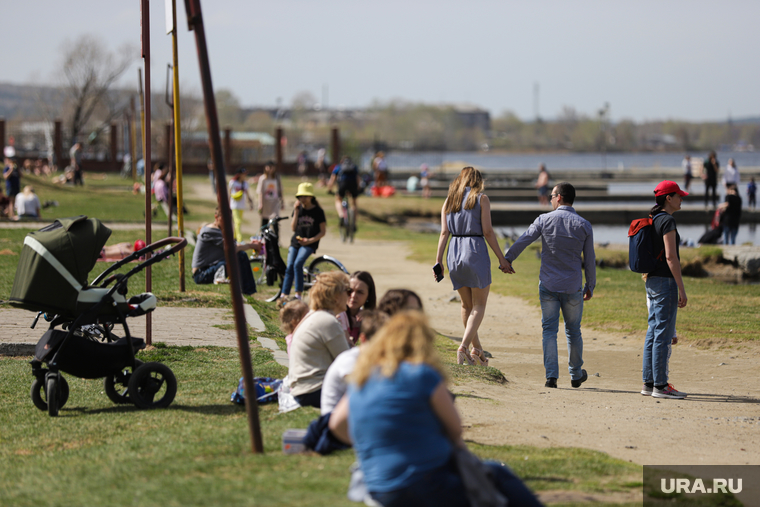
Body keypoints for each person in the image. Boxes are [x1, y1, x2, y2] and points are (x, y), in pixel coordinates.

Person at [329, 311, 543, 507]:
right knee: (497, 474)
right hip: (426, 482)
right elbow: (455, 428)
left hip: (378, 488)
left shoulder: (362, 378)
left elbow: (337, 425)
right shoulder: (422, 374)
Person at [504, 182, 595, 388]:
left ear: (560, 197)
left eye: (552, 195)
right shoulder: (584, 224)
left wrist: (508, 259)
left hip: (548, 284)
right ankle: (576, 374)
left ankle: (551, 377)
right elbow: (589, 260)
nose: (550, 199)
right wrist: (591, 284)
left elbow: (524, 239)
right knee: (574, 331)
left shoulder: (544, 219)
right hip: (573, 286)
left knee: (549, 330)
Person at [435, 166, 512, 367]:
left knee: (465, 305)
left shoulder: (449, 200)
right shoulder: (481, 199)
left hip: (454, 252)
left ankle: (476, 350)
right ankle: (463, 346)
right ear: (477, 180)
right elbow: (487, 231)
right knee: (479, 305)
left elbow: (444, 233)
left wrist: (439, 261)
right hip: (475, 250)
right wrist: (501, 258)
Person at [641, 180, 689, 399]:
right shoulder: (668, 221)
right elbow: (671, 257)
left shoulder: (653, 219)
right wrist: (681, 287)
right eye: (678, 196)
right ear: (668, 198)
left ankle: (649, 383)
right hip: (665, 282)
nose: (681, 199)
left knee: (653, 332)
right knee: (662, 333)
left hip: (651, 281)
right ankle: (660, 386)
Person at [288, 271, 352, 408]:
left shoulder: (316, 316)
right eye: (347, 291)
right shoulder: (328, 321)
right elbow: (347, 364)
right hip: (314, 390)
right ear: (336, 297)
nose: (350, 295)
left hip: (305, 390)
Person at [320, 310, 388, 415]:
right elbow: (362, 397)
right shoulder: (350, 361)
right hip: (335, 419)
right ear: (363, 339)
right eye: (380, 343)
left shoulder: (372, 360)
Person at [191, 207, 260, 295]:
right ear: (216, 217)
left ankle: (246, 291)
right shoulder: (211, 231)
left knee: (239, 255)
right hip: (201, 274)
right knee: (240, 256)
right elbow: (232, 249)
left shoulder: (219, 230)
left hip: (210, 268)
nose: (228, 221)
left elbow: (234, 244)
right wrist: (252, 245)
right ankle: (247, 292)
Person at [280, 182, 326, 301]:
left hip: (310, 243)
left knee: (298, 263)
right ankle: (284, 294)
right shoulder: (298, 209)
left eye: (305, 196)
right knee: (289, 266)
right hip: (296, 241)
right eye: (300, 196)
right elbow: (293, 228)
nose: (302, 199)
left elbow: (322, 232)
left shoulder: (318, 211)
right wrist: (295, 212)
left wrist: (310, 240)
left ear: (311, 197)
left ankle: (298, 295)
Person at [336, 271, 377, 344]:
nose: (353, 296)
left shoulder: (365, 316)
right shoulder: (339, 314)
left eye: (360, 292)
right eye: (350, 290)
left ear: (368, 296)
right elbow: (347, 346)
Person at [328, 156, 360, 231]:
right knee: (354, 203)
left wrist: (330, 189)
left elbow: (332, 178)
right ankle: (354, 224)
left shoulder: (338, 167)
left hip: (342, 184)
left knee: (338, 200)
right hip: (353, 185)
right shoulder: (354, 167)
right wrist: (358, 188)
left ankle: (341, 215)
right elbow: (358, 178)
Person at [256, 161, 284, 238]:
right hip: (265, 203)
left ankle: (277, 239)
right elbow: (260, 192)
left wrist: (282, 201)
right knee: (265, 221)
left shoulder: (277, 178)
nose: (270, 169)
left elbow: (280, 190)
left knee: (275, 221)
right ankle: (263, 238)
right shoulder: (263, 178)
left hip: (274, 203)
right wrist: (260, 204)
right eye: (268, 167)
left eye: (272, 167)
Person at [229, 167, 254, 243]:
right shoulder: (233, 182)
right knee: (237, 221)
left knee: (238, 222)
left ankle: (234, 238)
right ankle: (240, 239)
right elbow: (229, 193)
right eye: (243, 174)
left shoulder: (245, 184)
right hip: (234, 205)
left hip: (242, 205)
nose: (245, 175)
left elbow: (247, 194)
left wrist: (250, 202)